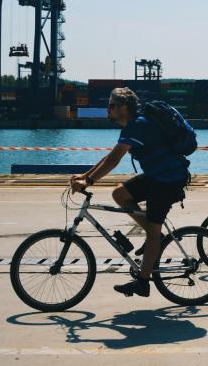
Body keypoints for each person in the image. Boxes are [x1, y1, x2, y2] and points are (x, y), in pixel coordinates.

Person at [70, 87, 190, 297]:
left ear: (123, 108)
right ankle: (158, 238)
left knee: (152, 232)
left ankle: (143, 282)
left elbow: (114, 160)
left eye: (111, 106)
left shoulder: (138, 125)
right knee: (120, 194)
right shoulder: (133, 126)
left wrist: (88, 180)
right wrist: (85, 175)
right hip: (157, 176)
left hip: (168, 180)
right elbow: (111, 156)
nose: (108, 110)